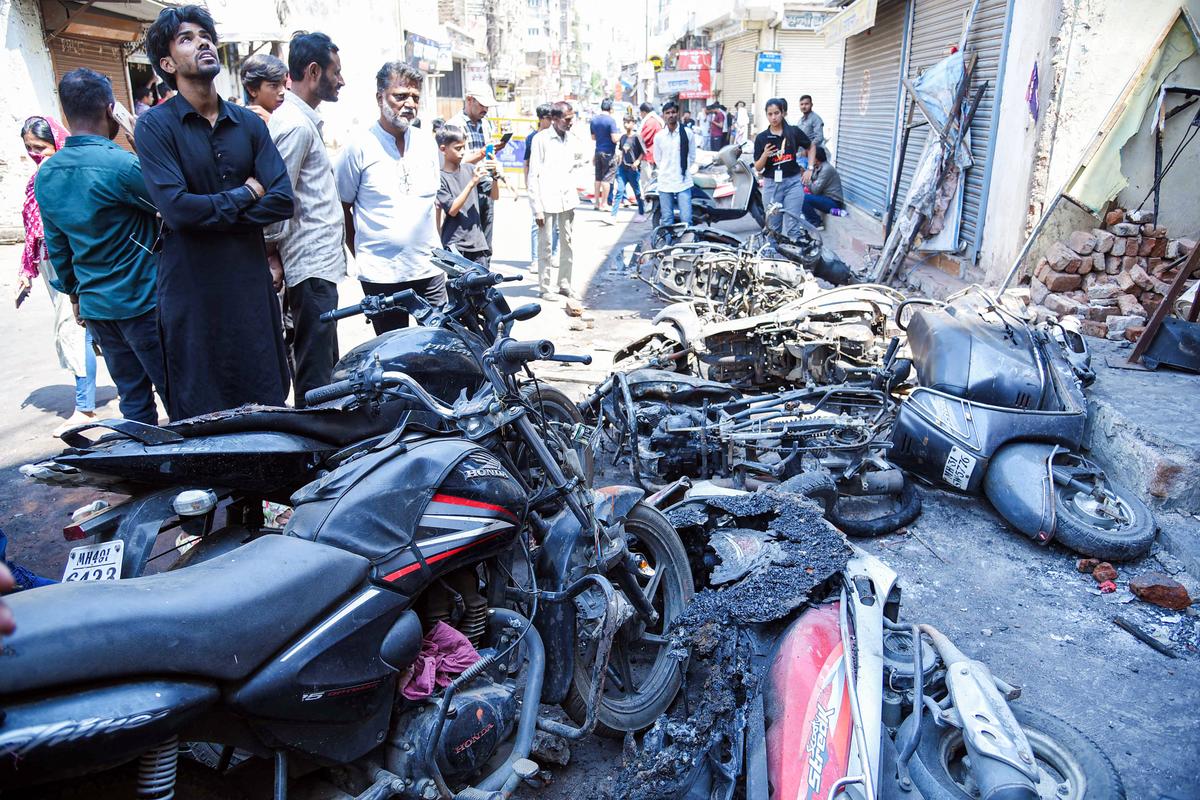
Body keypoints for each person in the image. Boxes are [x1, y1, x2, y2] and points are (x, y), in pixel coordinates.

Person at [136, 5, 294, 420]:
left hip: (249, 289)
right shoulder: (155, 127)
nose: (202, 41)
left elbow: (281, 199)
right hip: (192, 292)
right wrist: (246, 193)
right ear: (167, 63)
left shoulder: (249, 124)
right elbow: (177, 210)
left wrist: (208, 212)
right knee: (201, 408)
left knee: (265, 399)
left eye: (205, 34)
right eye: (187, 38)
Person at [36, 69, 166, 426]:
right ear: (111, 111)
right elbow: (173, 202)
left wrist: (77, 298)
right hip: (142, 304)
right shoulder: (122, 166)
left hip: (97, 309)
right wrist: (141, 136)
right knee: (178, 394)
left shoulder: (47, 174)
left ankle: (146, 474)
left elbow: (58, 247)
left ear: (65, 115)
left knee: (134, 402)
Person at [264, 32, 346, 407]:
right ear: (313, 72)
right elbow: (276, 199)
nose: (341, 81)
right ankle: (314, 454)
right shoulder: (294, 124)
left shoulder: (301, 120)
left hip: (317, 266)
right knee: (316, 377)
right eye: (336, 72)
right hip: (308, 266)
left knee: (325, 368)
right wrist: (272, 253)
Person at [336, 61, 444, 334]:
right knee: (394, 356)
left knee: (440, 348)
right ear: (380, 97)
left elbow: (432, 204)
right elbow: (342, 207)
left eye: (415, 97)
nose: (409, 103)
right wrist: (362, 254)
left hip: (429, 270)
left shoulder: (426, 143)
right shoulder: (358, 146)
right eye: (400, 96)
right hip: (381, 275)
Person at [17, 115, 98, 436]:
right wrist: (26, 271)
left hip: (69, 262)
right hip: (49, 262)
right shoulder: (37, 178)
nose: (37, 154)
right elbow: (32, 232)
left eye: (41, 147)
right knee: (87, 332)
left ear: (57, 143)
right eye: (29, 149)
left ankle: (85, 407)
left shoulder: (64, 177)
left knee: (72, 332)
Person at [527, 101, 580, 303]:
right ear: (555, 119)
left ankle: (564, 283)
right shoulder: (540, 139)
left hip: (567, 199)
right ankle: (545, 286)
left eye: (571, 119)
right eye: (567, 119)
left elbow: (577, 163)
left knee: (567, 243)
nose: (570, 123)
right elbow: (533, 176)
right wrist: (536, 208)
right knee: (546, 245)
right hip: (546, 200)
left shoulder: (571, 139)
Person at [449, 84, 508, 249]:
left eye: (487, 106)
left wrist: (493, 154)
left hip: (486, 184)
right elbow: (453, 162)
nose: (485, 109)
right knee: (467, 242)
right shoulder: (454, 125)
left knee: (486, 244)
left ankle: (484, 273)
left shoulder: (486, 124)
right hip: (465, 188)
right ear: (469, 100)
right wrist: (481, 154)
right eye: (482, 105)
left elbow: (488, 152)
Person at [752, 97, 811, 240]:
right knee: (773, 227)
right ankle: (773, 257)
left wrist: (809, 168)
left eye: (776, 113)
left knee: (793, 225)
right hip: (772, 185)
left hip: (793, 183)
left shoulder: (793, 132)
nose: (773, 117)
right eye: (770, 114)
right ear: (766, 115)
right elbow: (758, 168)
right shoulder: (762, 138)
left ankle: (796, 257)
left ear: (783, 113)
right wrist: (765, 154)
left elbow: (811, 146)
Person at [438, 125, 498, 265]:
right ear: (443, 149)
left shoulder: (470, 169)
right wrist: (472, 183)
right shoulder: (440, 178)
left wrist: (495, 176)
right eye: (458, 148)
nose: (463, 152)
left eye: (464, 147)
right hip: (456, 246)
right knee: (459, 286)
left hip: (478, 243)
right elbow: (452, 210)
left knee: (482, 286)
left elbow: (494, 196)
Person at [523, 102, 557, 270]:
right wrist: (528, 184)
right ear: (541, 119)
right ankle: (536, 259)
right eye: (549, 119)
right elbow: (526, 163)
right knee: (536, 224)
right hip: (538, 186)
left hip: (554, 187)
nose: (552, 122)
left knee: (556, 225)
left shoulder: (556, 136)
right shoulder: (532, 138)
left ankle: (553, 255)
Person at [653, 100, 695, 227]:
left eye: (673, 112)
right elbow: (657, 159)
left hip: (683, 181)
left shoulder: (687, 133)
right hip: (665, 181)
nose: (671, 115)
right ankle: (667, 244)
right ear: (663, 115)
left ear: (677, 114)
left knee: (686, 219)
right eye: (668, 113)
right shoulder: (659, 136)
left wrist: (682, 168)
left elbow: (692, 156)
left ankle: (686, 245)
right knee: (667, 219)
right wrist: (667, 169)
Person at [606, 115, 645, 223]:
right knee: (619, 191)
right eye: (624, 122)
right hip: (622, 169)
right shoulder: (623, 137)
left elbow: (643, 152)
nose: (626, 124)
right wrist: (619, 160)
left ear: (633, 123)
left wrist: (637, 161)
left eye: (628, 122)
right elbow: (622, 150)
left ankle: (642, 213)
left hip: (633, 170)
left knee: (637, 192)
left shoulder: (637, 137)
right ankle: (613, 216)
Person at [801, 146, 844, 230]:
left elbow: (815, 190)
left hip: (834, 202)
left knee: (803, 197)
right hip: (824, 198)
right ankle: (807, 217)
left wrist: (805, 177)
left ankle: (816, 222)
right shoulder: (817, 167)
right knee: (798, 192)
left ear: (816, 158)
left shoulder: (826, 169)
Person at [240, 52, 287, 123]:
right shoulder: (242, 123)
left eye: (284, 84)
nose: (283, 91)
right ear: (252, 90)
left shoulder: (287, 117)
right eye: (274, 85)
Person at [589, 98, 618, 212]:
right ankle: (604, 203)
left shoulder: (594, 120)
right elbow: (614, 138)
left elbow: (593, 137)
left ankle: (596, 203)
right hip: (608, 152)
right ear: (610, 108)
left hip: (598, 151)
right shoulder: (611, 121)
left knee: (598, 178)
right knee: (607, 178)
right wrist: (623, 135)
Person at [637, 101, 663, 201]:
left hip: (649, 155)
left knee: (646, 181)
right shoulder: (657, 120)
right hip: (656, 155)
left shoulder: (650, 122)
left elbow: (642, 139)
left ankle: (647, 202)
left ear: (644, 112)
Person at [796, 94, 824, 168]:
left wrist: (809, 149)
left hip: (811, 156)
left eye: (806, 104)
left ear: (811, 104)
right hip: (800, 155)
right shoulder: (800, 120)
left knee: (808, 177)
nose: (804, 106)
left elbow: (819, 137)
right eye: (801, 104)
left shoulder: (816, 119)